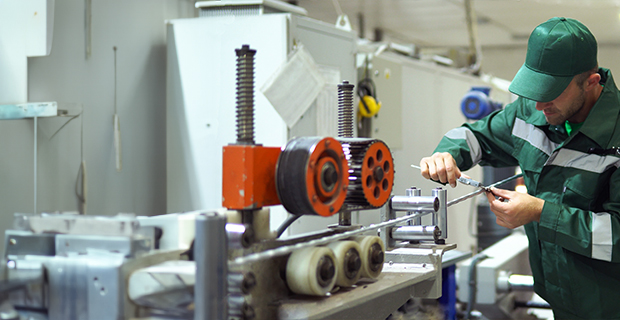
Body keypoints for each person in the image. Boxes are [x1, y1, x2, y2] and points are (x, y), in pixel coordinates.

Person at [420, 17, 620, 319]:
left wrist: (541, 212)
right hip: (561, 304)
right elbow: (475, 136)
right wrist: (446, 155)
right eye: (535, 91)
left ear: (591, 82)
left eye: (550, 93)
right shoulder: (530, 111)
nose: (540, 106)